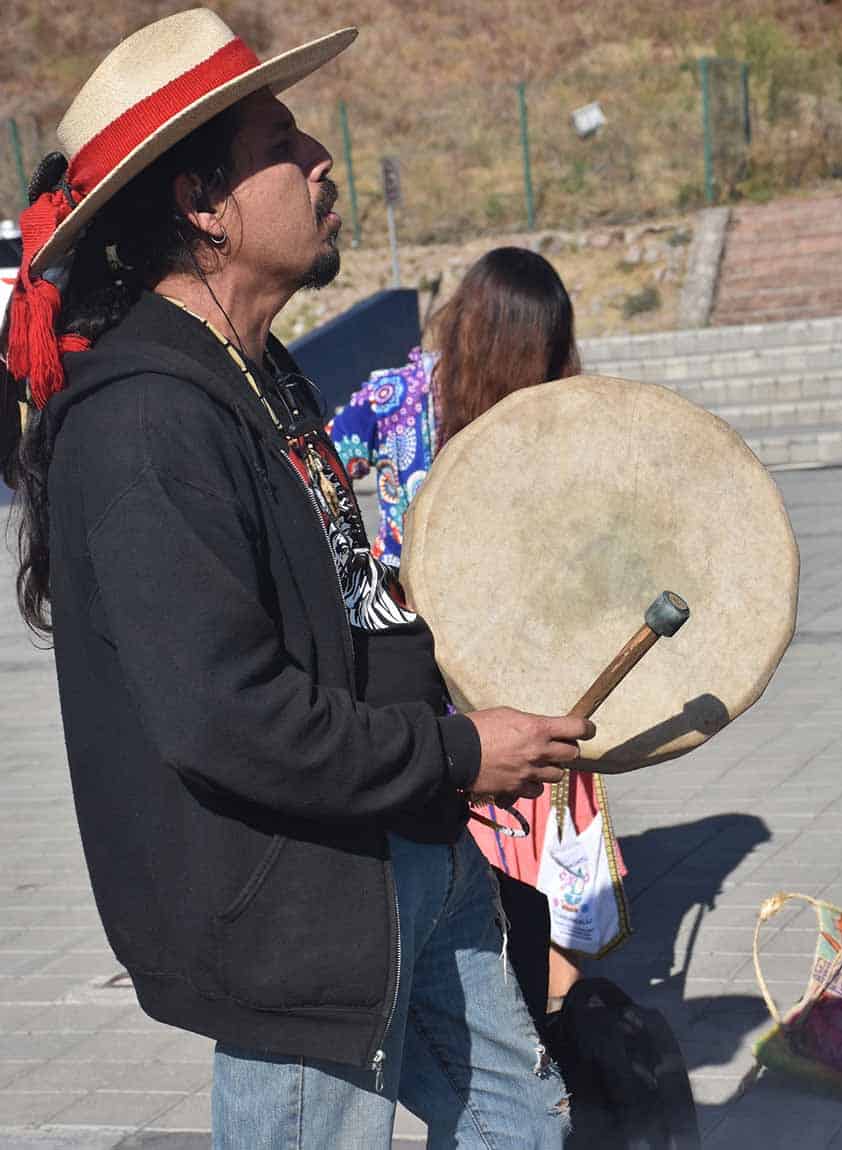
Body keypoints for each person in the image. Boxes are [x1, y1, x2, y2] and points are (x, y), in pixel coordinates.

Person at [1, 11, 596, 1149]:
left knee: (521, 1130)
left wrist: (460, 719)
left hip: (402, 851)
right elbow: (230, 715)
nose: (321, 159)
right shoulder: (144, 422)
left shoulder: (260, 371)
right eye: (282, 140)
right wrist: (465, 751)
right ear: (202, 204)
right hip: (295, 910)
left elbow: (342, 620)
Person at [331, 248, 628, 1012]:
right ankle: (561, 1016)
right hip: (535, 663)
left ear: (465, 313)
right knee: (549, 822)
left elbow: (321, 477)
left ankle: (504, 1004)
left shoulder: (394, 395)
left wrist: (373, 569)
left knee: (464, 857)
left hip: (426, 672)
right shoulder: (557, 410)